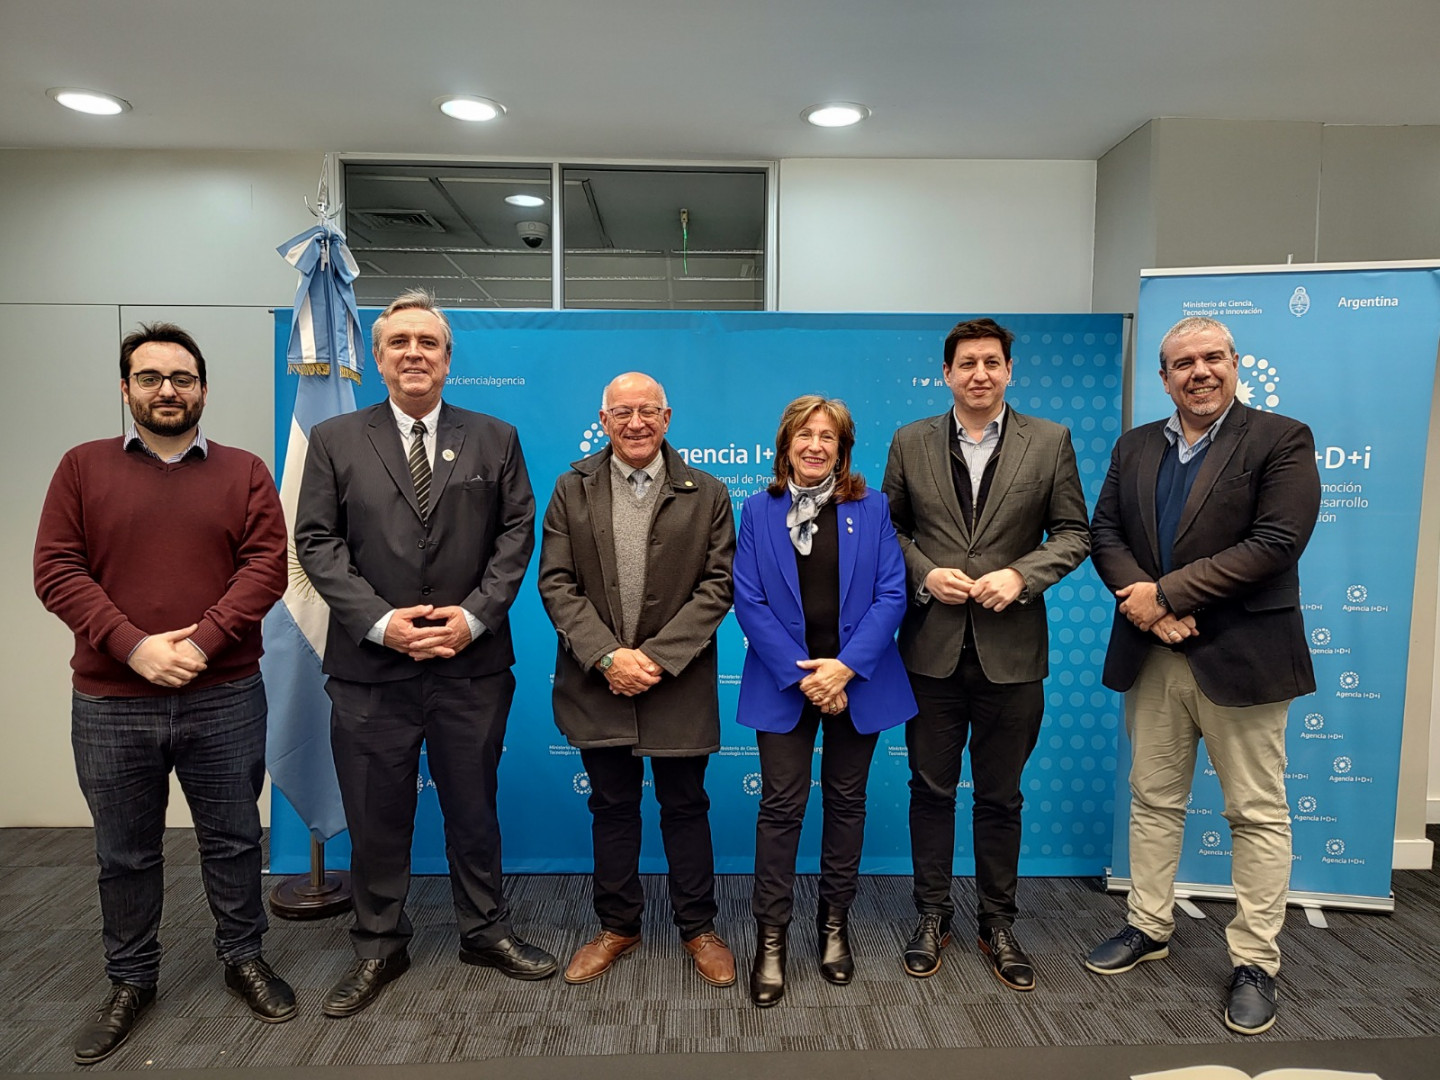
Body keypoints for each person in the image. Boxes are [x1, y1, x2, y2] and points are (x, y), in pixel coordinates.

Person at [34, 323, 295, 1064]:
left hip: (225, 694)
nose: (168, 390)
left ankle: (244, 957)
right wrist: (135, 646)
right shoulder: (81, 468)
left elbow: (266, 567)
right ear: (126, 390)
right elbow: (56, 568)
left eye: (182, 378)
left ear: (203, 389)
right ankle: (131, 979)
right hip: (112, 700)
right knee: (124, 853)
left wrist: (201, 642)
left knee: (235, 840)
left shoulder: (243, 471)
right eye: (150, 378)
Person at [295, 288, 556, 1018]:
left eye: (428, 343)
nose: (414, 353)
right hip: (370, 668)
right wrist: (381, 622)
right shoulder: (336, 439)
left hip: (470, 665)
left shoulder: (495, 437)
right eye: (399, 342)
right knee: (377, 815)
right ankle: (379, 943)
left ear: (448, 359)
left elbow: (515, 537)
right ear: (377, 359)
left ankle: (484, 931)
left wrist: (473, 619)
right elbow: (315, 541)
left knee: (474, 808)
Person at [1084, 316, 1320, 1037]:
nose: (1200, 372)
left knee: (1256, 812)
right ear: (1164, 378)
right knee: (1153, 800)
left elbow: (1277, 541)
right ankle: (1149, 925)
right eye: (1183, 362)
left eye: (1212, 357)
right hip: (1154, 653)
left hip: (1243, 655)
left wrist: (1171, 593)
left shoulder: (1281, 438)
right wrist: (1150, 611)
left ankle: (1255, 961)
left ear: (1235, 362)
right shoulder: (1134, 446)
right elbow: (1105, 535)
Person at [882, 317, 1090, 991]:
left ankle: (998, 921)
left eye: (991, 362)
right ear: (946, 374)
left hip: (1012, 649)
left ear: (1008, 372)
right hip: (930, 652)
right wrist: (922, 571)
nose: (979, 373)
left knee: (1001, 797)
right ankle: (932, 914)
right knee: (930, 791)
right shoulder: (910, 441)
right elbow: (889, 528)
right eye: (966, 362)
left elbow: (1075, 532)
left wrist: (1021, 576)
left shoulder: (1050, 440)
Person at [538, 372, 737, 988]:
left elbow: (718, 585)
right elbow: (556, 583)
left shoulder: (707, 491)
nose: (635, 422)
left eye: (647, 410)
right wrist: (608, 657)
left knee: (686, 806)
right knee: (612, 807)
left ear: (668, 417)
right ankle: (617, 926)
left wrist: (654, 658)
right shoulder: (572, 488)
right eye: (622, 412)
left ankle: (699, 928)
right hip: (597, 682)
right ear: (603, 419)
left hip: (677, 684)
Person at [732, 396, 917, 1007]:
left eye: (827, 437)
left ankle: (834, 928)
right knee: (781, 808)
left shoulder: (873, 508)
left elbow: (893, 593)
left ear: (842, 450)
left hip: (857, 680)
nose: (815, 446)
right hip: (785, 682)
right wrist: (807, 676)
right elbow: (748, 600)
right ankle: (773, 938)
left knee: (846, 803)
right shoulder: (758, 512)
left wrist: (843, 670)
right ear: (785, 446)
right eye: (803, 436)